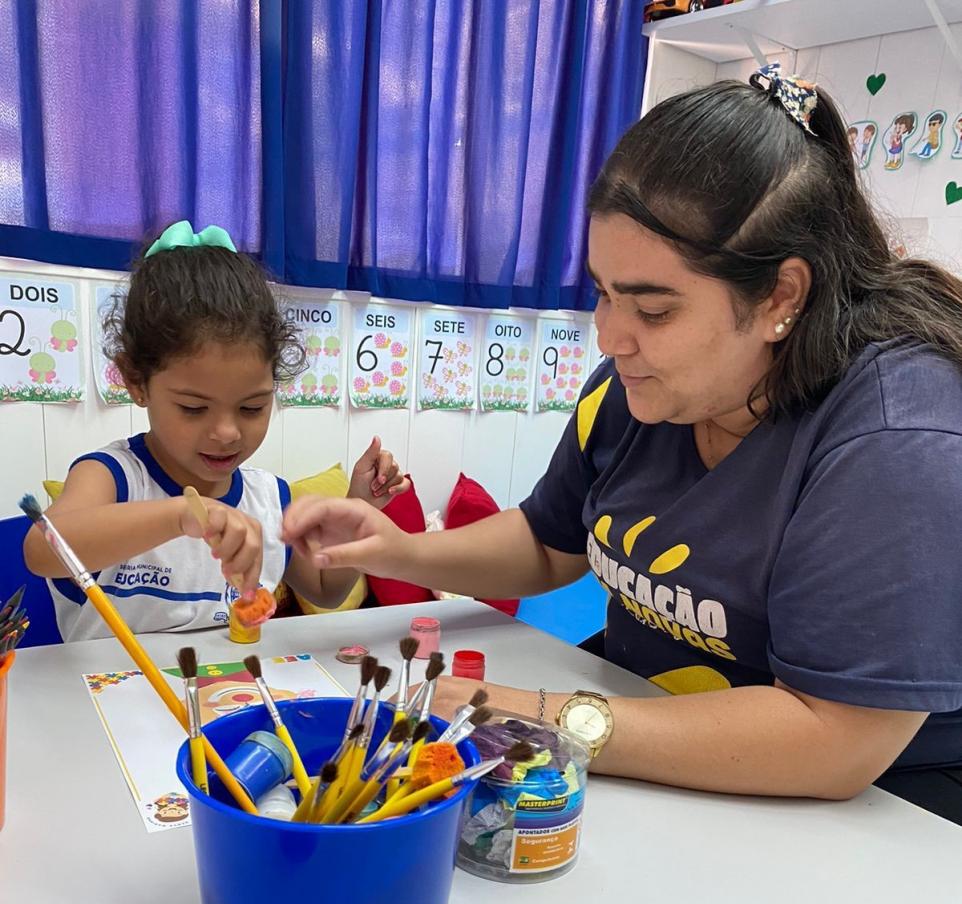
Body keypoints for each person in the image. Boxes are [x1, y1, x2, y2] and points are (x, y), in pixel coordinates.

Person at [281, 65, 962, 823]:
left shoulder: (898, 437)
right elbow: (550, 542)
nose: (609, 337)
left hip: (876, 813)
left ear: (781, 297)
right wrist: (393, 550)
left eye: (654, 310)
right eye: (603, 293)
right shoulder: (631, 394)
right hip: (647, 743)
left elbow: (834, 740)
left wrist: (527, 712)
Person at [23, 221, 408, 641]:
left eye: (252, 407)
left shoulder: (268, 499)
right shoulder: (113, 477)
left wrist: (360, 508)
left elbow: (326, 591)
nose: (226, 432)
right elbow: (43, 549)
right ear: (136, 381)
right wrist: (182, 514)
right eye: (193, 408)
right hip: (114, 699)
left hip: (229, 697)